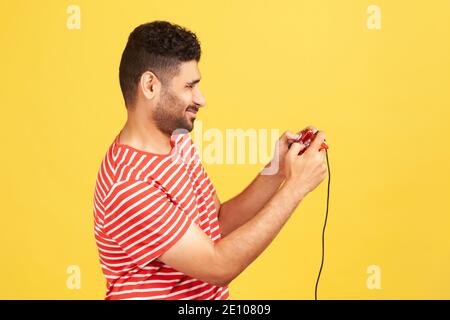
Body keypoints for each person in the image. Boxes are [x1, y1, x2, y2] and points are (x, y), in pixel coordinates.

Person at [92, 20, 327, 300]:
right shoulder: (129, 185)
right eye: (189, 86)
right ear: (150, 85)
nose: (201, 99)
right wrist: (296, 188)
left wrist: (276, 170)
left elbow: (217, 221)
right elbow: (218, 266)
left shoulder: (178, 140)